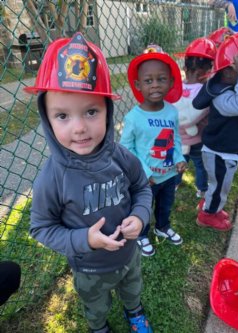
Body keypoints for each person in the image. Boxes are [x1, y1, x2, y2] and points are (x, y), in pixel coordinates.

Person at [25, 32, 153, 333]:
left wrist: (140, 215)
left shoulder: (121, 157)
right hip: (89, 267)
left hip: (128, 254)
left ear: (108, 111)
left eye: (91, 111)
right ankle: (99, 327)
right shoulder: (52, 177)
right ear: (46, 119)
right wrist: (84, 240)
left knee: (133, 289)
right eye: (62, 116)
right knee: (95, 306)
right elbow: (41, 227)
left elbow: (141, 187)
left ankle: (134, 312)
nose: (80, 128)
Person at [120, 45, 186, 257]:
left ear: (172, 82)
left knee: (166, 204)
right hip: (146, 179)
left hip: (169, 174)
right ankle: (142, 234)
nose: (155, 85)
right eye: (148, 81)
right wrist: (144, 173)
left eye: (161, 79)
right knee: (144, 209)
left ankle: (163, 226)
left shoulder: (172, 112)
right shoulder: (133, 117)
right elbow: (126, 149)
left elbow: (174, 138)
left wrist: (179, 158)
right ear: (139, 85)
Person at [193, 30, 238, 231]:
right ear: (227, 73)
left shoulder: (226, 86)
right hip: (220, 154)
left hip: (222, 152)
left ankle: (211, 205)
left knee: (216, 185)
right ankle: (208, 214)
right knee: (219, 187)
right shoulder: (222, 97)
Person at [173, 37, 216, 198]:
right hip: (197, 138)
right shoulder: (205, 89)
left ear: (185, 67)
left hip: (179, 138)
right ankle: (202, 188)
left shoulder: (177, 86)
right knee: (200, 165)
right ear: (203, 73)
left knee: (179, 162)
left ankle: (175, 183)